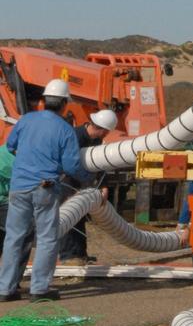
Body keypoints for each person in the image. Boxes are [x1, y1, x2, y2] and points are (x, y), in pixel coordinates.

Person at [0, 78, 92, 300]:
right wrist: (88, 178)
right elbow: (71, 165)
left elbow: (11, 146)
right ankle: (39, 289)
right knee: (47, 238)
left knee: (13, 237)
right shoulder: (65, 129)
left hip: (19, 186)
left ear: (44, 100)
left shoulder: (26, 120)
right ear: (64, 104)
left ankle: (5, 289)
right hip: (45, 187)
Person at [58, 109, 118, 263]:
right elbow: (68, 164)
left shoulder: (95, 140)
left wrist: (103, 185)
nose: (107, 135)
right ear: (102, 129)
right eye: (107, 132)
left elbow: (99, 163)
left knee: (79, 216)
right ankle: (68, 256)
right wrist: (85, 183)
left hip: (79, 182)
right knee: (69, 216)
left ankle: (80, 254)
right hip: (65, 180)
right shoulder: (74, 137)